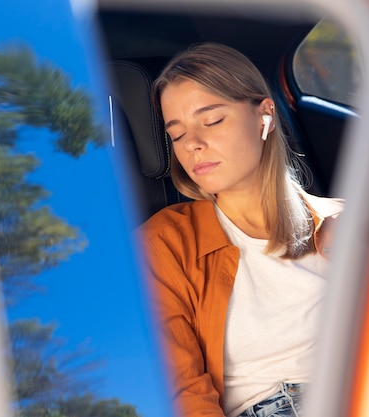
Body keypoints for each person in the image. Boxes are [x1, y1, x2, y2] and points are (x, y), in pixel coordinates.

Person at [139, 43, 344, 417]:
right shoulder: (165, 244)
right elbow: (181, 392)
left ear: (265, 115)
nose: (194, 145)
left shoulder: (347, 223)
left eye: (212, 120)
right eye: (178, 134)